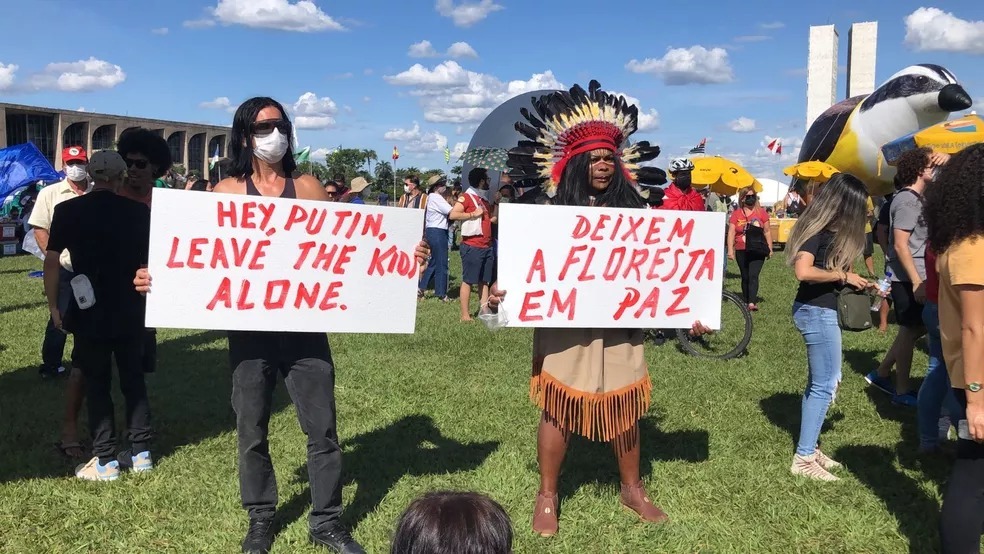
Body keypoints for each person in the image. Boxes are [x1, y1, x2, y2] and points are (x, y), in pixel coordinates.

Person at [132, 97, 431, 554]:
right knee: (251, 429)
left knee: (323, 429)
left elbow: (351, 253)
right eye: (264, 126)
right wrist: (159, 279)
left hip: (306, 330)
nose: (275, 134)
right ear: (244, 135)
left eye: (281, 124)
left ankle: (326, 521)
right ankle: (260, 518)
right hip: (249, 335)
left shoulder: (308, 188)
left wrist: (405, 257)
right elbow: (199, 259)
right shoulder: (227, 193)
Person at [492, 81, 704, 537]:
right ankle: (547, 494)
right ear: (574, 163)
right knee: (557, 405)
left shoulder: (638, 216)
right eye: (595, 158)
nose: (604, 165)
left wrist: (690, 308)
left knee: (626, 406)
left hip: (620, 323)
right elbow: (524, 267)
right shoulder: (547, 214)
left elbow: (666, 273)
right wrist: (500, 293)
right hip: (565, 320)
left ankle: (632, 488)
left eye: (609, 157)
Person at [45, 150, 154, 481]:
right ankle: (141, 452)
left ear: (90, 175)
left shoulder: (67, 210)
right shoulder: (139, 212)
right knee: (133, 380)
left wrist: (54, 306)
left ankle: (105, 459)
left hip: (88, 304)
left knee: (97, 381)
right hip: (132, 306)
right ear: (121, 177)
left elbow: (52, 261)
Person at [786, 172, 872, 481]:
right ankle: (804, 457)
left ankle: (812, 445)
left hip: (821, 310)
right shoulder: (817, 228)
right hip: (815, 312)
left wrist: (855, 280)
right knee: (826, 384)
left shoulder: (829, 229)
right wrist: (843, 276)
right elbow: (803, 271)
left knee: (820, 383)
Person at [924, 144, 984, 552]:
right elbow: (974, 326)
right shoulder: (972, 247)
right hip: (977, 382)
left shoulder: (962, 242)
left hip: (972, 379)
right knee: (972, 475)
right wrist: (978, 399)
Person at [867, 147, 949, 407]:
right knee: (911, 330)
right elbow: (901, 244)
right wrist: (916, 281)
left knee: (914, 329)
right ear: (918, 170)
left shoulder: (915, 198)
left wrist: (948, 164)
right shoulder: (907, 200)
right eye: (929, 165)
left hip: (913, 275)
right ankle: (901, 391)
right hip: (909, 277)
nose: (933, 169)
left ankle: (881, 373)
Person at [28, 146, 90, 458]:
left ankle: (85, 362)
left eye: (80, 162)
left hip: (93, 268)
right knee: (59, 318)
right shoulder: (51, 193)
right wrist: (53, 256)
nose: (77, 167)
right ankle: (50, 365)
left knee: (90, 318)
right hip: (64, 267)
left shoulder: (95, 191)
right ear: (63, 164)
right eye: (72, 163)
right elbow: (40, 229)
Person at [117, 128, 172, 375]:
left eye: (140, 163)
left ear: (155, 168)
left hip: (149, 282)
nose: (133, 168)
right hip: (114, 280)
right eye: (128, 162)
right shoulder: (111, 198)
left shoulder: (166, 202)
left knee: (141, 355)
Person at [449, 168, 494, 322]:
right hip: (472, 245)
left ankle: (484, 309)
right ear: (481, 181)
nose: (489, 182)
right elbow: (453, 214)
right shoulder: (467, 197)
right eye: (487, 179)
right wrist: (471, 214)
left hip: (486, 245)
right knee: (468, 280)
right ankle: (465, 315)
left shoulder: (484, 199)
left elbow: (491, 220)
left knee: (484, 280)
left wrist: (498, 203)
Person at [728, 187, 773, 311]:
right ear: (742, 199)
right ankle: (746, 299)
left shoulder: (762, 213)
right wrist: (730, 250)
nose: (751, 198)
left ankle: (752, 302)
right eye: (748, 196)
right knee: (745, 276)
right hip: (741, 249)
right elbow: (731, 232)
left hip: (758, 249)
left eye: (753, 196)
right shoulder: (736, 214)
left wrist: (770, 248)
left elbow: (767, 231)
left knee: (753, 275)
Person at [419, 175, 453, 301]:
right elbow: (451, 211)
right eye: (442, 184)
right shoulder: (436, 198)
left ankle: (421, 287)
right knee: (442, 262)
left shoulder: (432, 197)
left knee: (434, 262)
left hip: (433, 230)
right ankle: (441, 293)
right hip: (438, 231)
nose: (444, 185)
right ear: (436, 187)